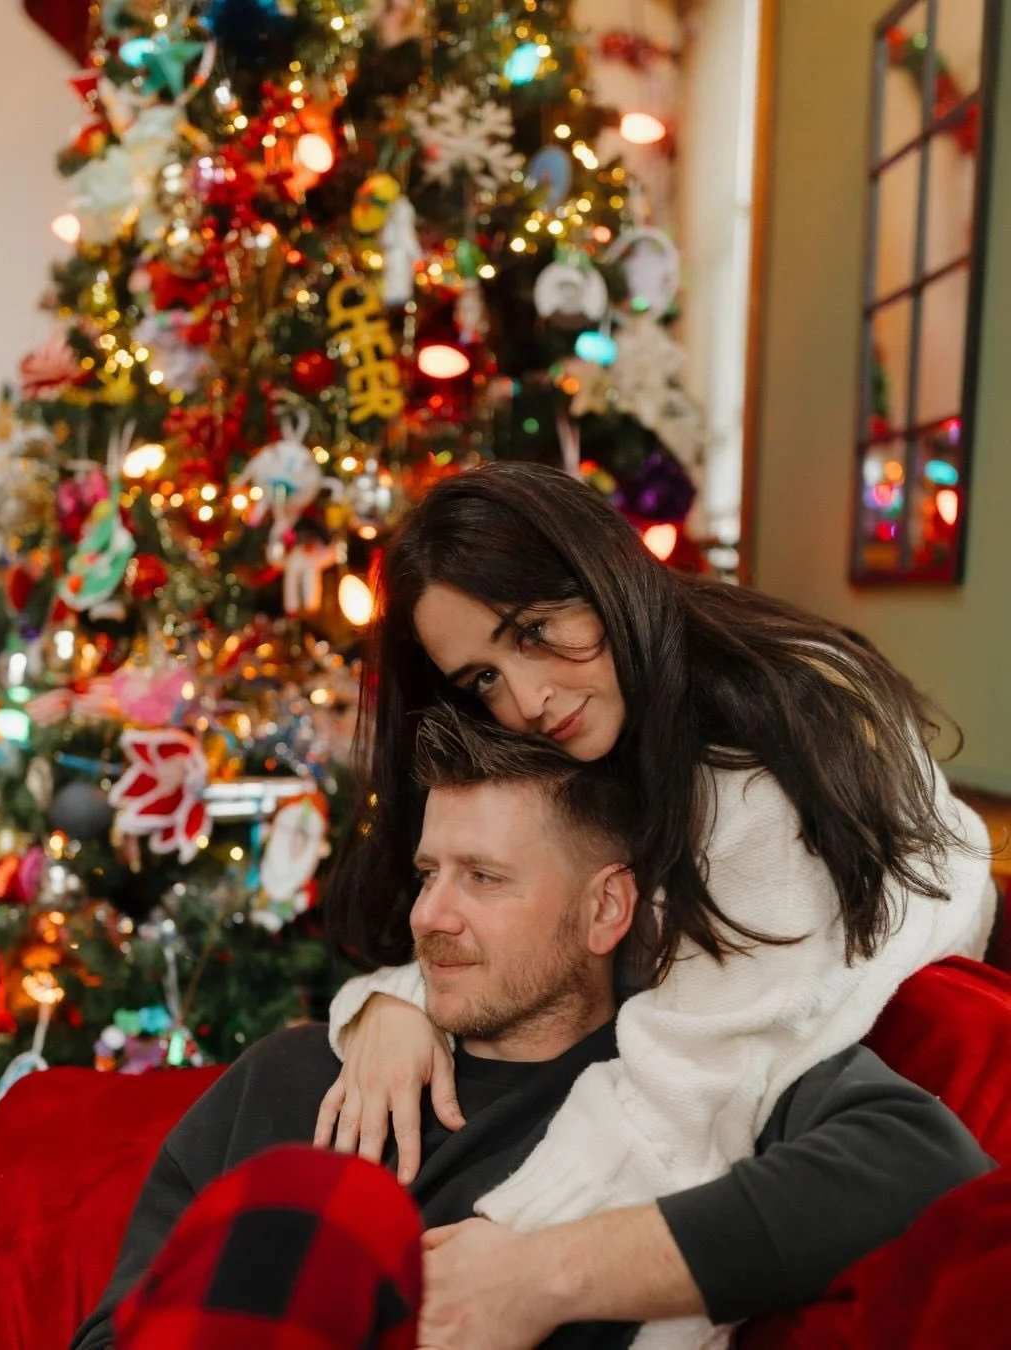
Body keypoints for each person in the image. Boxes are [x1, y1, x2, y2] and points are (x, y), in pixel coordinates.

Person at [313, 462, 996, 1333]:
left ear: (599, 573)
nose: (526, 699)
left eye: (535, 631)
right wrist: (396, 1003)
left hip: (895, 1014)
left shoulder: (760, 763)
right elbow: (531, 901)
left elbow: (683, 1093)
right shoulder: (609, 715)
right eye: (481, 677)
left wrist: (495, 1256)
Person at [72, 709, 991, 1350]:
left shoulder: (693, 1082)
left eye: (484, 877)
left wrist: (542, 1276)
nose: (430, 914)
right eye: (429, 871)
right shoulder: (296, 1079)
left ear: (606, 910)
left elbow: (925, 1164)